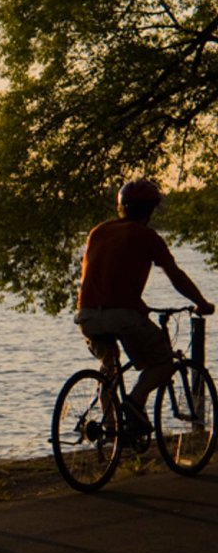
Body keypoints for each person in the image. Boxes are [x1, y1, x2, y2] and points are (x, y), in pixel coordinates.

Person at [75, 179, 214, 437]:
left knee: (109, 368)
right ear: (150, 211)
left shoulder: (98, 231)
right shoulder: (147, 236)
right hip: (122, 316)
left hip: (87, 315)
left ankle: (111, 430)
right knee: (164, 361)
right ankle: (135, 402)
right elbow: (176, 276)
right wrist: (202, 303)